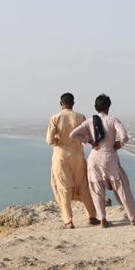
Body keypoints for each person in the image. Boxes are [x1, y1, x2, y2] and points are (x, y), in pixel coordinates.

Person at [70, 94, 135, 228]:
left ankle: (103, 219)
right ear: (108, 106)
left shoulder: (90, 121)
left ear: (96, 107)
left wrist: (89, 141)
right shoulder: (113, 120)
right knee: (122, 188)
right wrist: (120, 144)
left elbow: (73, 134)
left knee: (96, 190)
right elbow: (124, 135)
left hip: (95, 158)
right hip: (110, 157)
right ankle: (134, 218)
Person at [46, 93, 98, 229]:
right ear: (73, 103)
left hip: (61, 156)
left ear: (60, 103)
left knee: (64, 188)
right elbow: (87, 136)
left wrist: (58, 140)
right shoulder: (80, 117)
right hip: (77, 156)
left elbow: (49, 140)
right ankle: (92, 216)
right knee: (83, 186)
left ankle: (68, 221)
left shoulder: (55, 118)